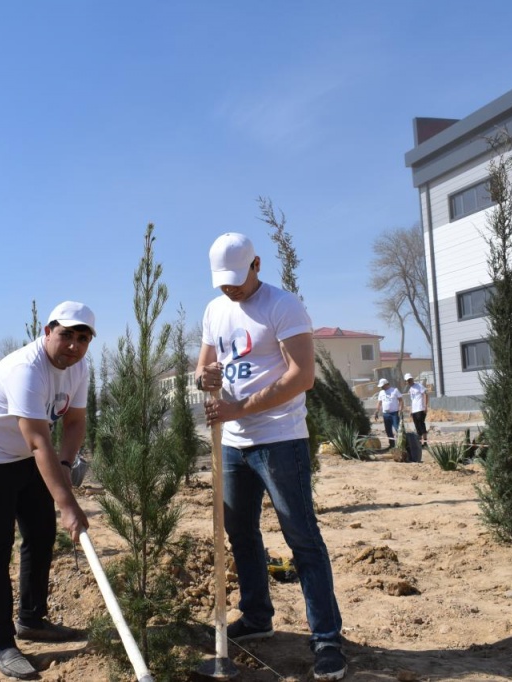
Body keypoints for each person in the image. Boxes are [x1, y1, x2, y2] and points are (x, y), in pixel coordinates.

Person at [195, 233, 347, 682]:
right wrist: (205, 377)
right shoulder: (214, 309)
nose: (231, 290)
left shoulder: (283, 306)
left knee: (301, 536)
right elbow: (205, 365)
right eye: (223, 283)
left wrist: (238, 407)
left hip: (280, 439)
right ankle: (257, 617)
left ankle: (326, 640)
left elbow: (302, 376)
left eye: (238, 281)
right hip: (232, 444)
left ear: (256, 265)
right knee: (240, 532)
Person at [0, 300, 94, 679]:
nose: (74, 345)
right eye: (66, 335)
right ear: (48, 331)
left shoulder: (79, 367)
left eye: (83, 338)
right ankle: (2, 643)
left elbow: (75, 422)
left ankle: (32, 619)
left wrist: (65, 465)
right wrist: (67, 504)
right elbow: (38, 441)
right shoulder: (26, 369)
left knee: (40, 534)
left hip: (25, 456)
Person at [375, 378, 403, 450]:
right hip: (386, 414)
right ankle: (392, 444)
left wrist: (400, 409)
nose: (381, 387)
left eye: (382, 386)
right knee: (388, 430)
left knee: (397, 429)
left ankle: (402, 444)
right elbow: (379, 402)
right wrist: (377, 411)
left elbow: (400, 400)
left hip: (394, 413)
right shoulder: (381, 393)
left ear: (386, 384)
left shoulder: (395, 390)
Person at [404, 374, 429, 447]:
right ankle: (419, 442)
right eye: (407, 381)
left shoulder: (419, 386)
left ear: (412, 379)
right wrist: (411, 410)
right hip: (414, 410)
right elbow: (412, 400)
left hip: (420, 408)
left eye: (410, 380)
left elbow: (425, 394)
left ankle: (425, 442)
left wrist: (425, 406)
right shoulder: (410, 389)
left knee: (421, 424)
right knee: (417, 426)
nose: (409, 381)